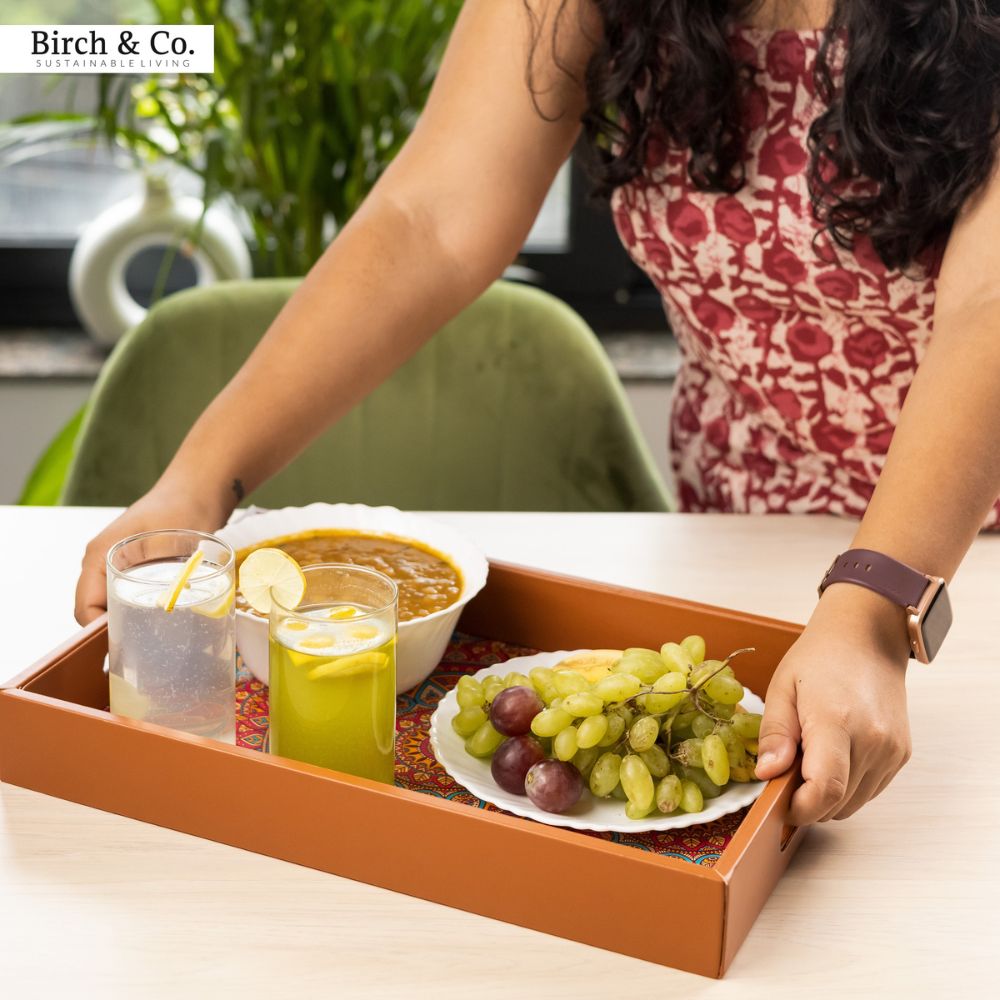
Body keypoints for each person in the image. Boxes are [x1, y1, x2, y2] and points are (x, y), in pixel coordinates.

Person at [74, 0, 1000, 827]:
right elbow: (431, 220)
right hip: (743, 539)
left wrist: (879, 606)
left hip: (949, 561)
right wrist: (199, 480)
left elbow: (985, 306)